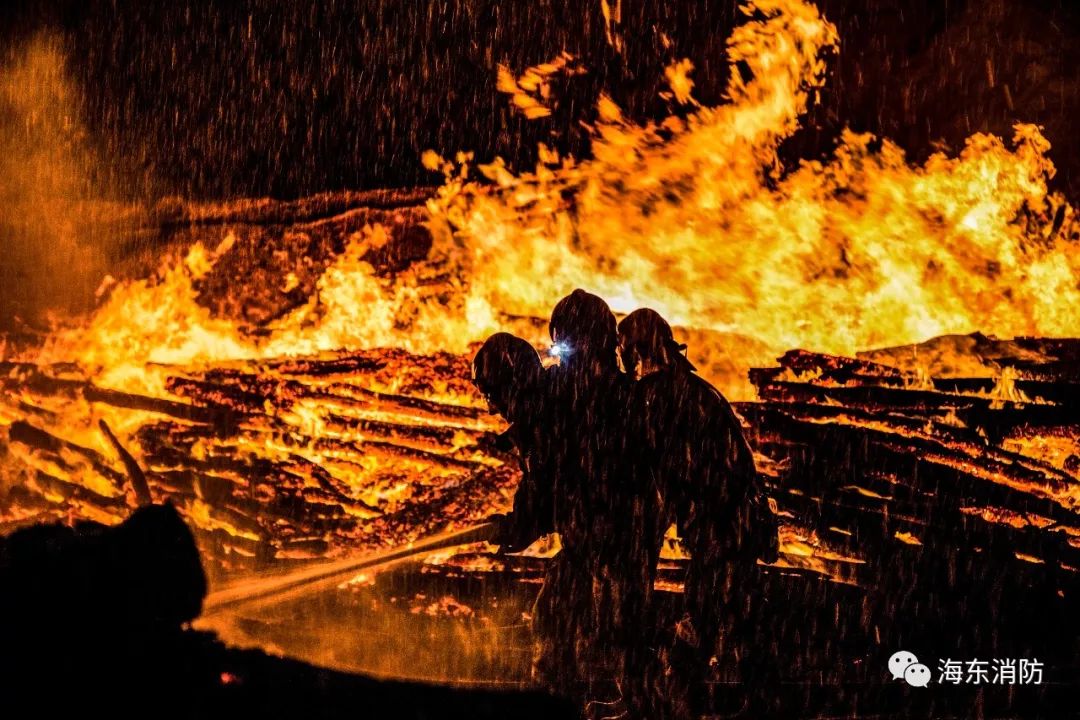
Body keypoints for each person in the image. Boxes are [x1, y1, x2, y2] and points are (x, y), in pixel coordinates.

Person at [618, 307, 779, 715]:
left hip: (723, 529)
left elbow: (663, 475)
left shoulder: (662, 397)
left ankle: (681, 707)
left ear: (638, 352)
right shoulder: (694, 390)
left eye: (627, 353)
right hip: (734, 526)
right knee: (734, 624)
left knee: (705, 626)